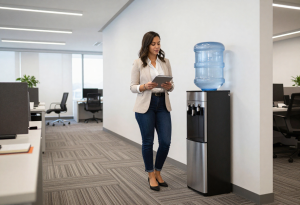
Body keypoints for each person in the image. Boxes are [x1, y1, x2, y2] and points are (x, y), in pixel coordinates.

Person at [130, 31, 174, 191]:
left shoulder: (165, 62)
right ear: (147, 45)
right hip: (145, 105)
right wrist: (143, 86)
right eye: (153, 44)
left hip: (162, 104)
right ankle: (150, 174)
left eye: (159, 43)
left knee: (165, 142)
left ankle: (158, 171)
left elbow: (171, 83)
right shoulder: (138, 63)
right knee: (148, 142)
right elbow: (132, 86)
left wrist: (170, 86)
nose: (157, 47)